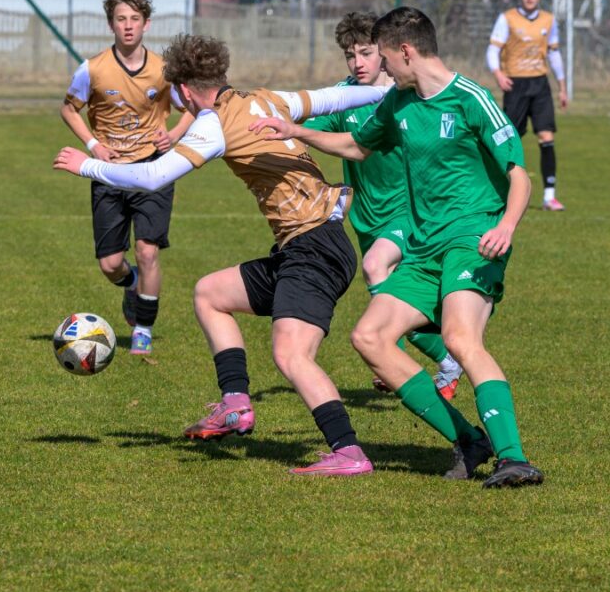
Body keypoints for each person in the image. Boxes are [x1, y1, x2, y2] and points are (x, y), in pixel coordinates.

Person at [55, 33, 389, 476]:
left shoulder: (213, 123)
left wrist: (88, 166)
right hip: (308, 244)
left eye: (177, 96)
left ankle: (348, 451)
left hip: (315, 248)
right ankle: (235, 406)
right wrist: (390, 89)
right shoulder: (269, 99)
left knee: (291, 355)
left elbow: (154, 176)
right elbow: (334, 98)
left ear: (187, 90)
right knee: (210, 293)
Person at [252, 7, 544, 488]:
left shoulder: (471, 98)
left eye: (385, 57)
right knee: (369, 338)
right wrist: (299, 133)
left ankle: (513, 457)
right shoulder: (399, 103)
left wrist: (507, 226)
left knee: (460, 339)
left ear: (405, 51)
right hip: (424, 247)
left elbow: (518, 173)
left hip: (474, 239)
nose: (382, 69)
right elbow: (358, 146)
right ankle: (471, 440)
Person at [304, 11, 462, 400]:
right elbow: (312, 132)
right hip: (367, 217)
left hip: (407, 213)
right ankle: (407, 360)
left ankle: (446, 357)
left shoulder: (406, 93)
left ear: (385, 52)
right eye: (349, 55)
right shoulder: (344, 96)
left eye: (366, 52)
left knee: (378, 269)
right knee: (391, 295)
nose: (357, 63)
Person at [60, 0, 194, 356]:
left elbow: (194, 109)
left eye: (135, 19)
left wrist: (172, 136)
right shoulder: (92, 69)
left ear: (147, 24)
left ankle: (143, 329)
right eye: (121, 19)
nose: (128, 26)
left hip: (153, 169)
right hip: (108, 172)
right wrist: (93, 147)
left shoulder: (164, 70)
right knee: (110, 263)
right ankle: (132, 282)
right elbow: (69, 110)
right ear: (111, 24)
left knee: (148, 250)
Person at [487, 0, 568, 211]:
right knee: (509, 140)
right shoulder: (507, 18)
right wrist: (499, 74)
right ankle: (497, 191)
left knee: (546, 137)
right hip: (516, 85)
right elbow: (492, 50)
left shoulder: (548, 20)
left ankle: (549, 196)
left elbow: (554, 54)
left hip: (540, 85)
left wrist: (562, 86)